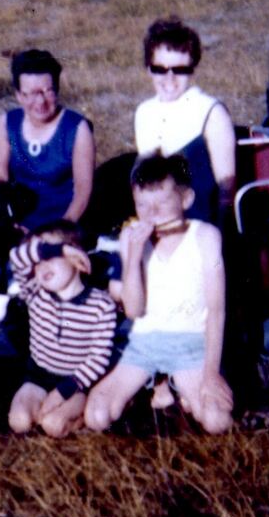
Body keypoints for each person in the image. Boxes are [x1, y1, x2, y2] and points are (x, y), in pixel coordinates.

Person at [85, 155, 233, 434]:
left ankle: (172, 386)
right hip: (144, 344)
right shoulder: (130, 236)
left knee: (217, 421)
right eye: (143, 205)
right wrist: (133, 257)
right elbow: (133, 311)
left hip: (191, 346)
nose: (152, 213)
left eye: (162, 203)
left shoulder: (206, 236)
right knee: (96, 416)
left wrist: (211, 373)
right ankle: (152, 386)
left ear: (186, 199)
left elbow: (216, 310)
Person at [6, 221, 118, 438]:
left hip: (76, 381)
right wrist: (57, 250)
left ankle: (81, 414)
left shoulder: (101, 305)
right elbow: (16, 256)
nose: (42, 266)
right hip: (39, 374)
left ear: (77, 258)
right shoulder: (35, 293)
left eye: (50, 257)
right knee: (19, 421)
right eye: (38, 260)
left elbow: (98, 358)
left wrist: (60, 393)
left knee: (53, 425)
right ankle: (48, 406)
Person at [134, 17, 235, 226]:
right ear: (148, 68)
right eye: (160, 69)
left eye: (180, 70)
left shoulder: (211, 112)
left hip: (201, 228)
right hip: (156, 226)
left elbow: (227, 192)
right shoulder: (144, 113)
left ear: (192, 68)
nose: (169, 78)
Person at [0, 49, 95, 232]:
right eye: (30, 93)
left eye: (47, 91)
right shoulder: (7, 124)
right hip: (19, 224)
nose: (40, 101)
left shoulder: (77, 128)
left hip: (66, 222)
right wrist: (10, 217)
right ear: (19, 95)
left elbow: (83, 192)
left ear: (57, 89)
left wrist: (60, 230)